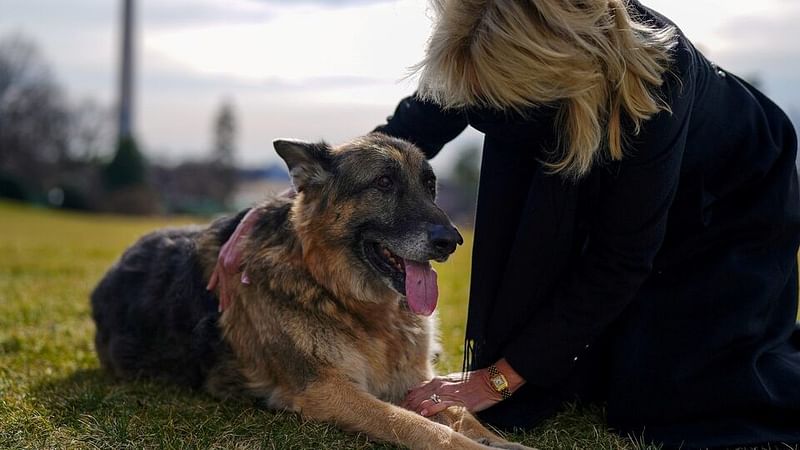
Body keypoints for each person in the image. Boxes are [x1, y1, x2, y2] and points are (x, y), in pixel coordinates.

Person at [210, 0, 800, 447]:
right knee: (573, 377)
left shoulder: (654, 81)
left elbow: (621, 256)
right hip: (592, 144)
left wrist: (495, 379)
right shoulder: (481, 38)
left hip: (729, 191)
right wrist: (269, 213)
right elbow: (384, 150)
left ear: (548, 76)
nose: (475, 104)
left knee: (675, 397)